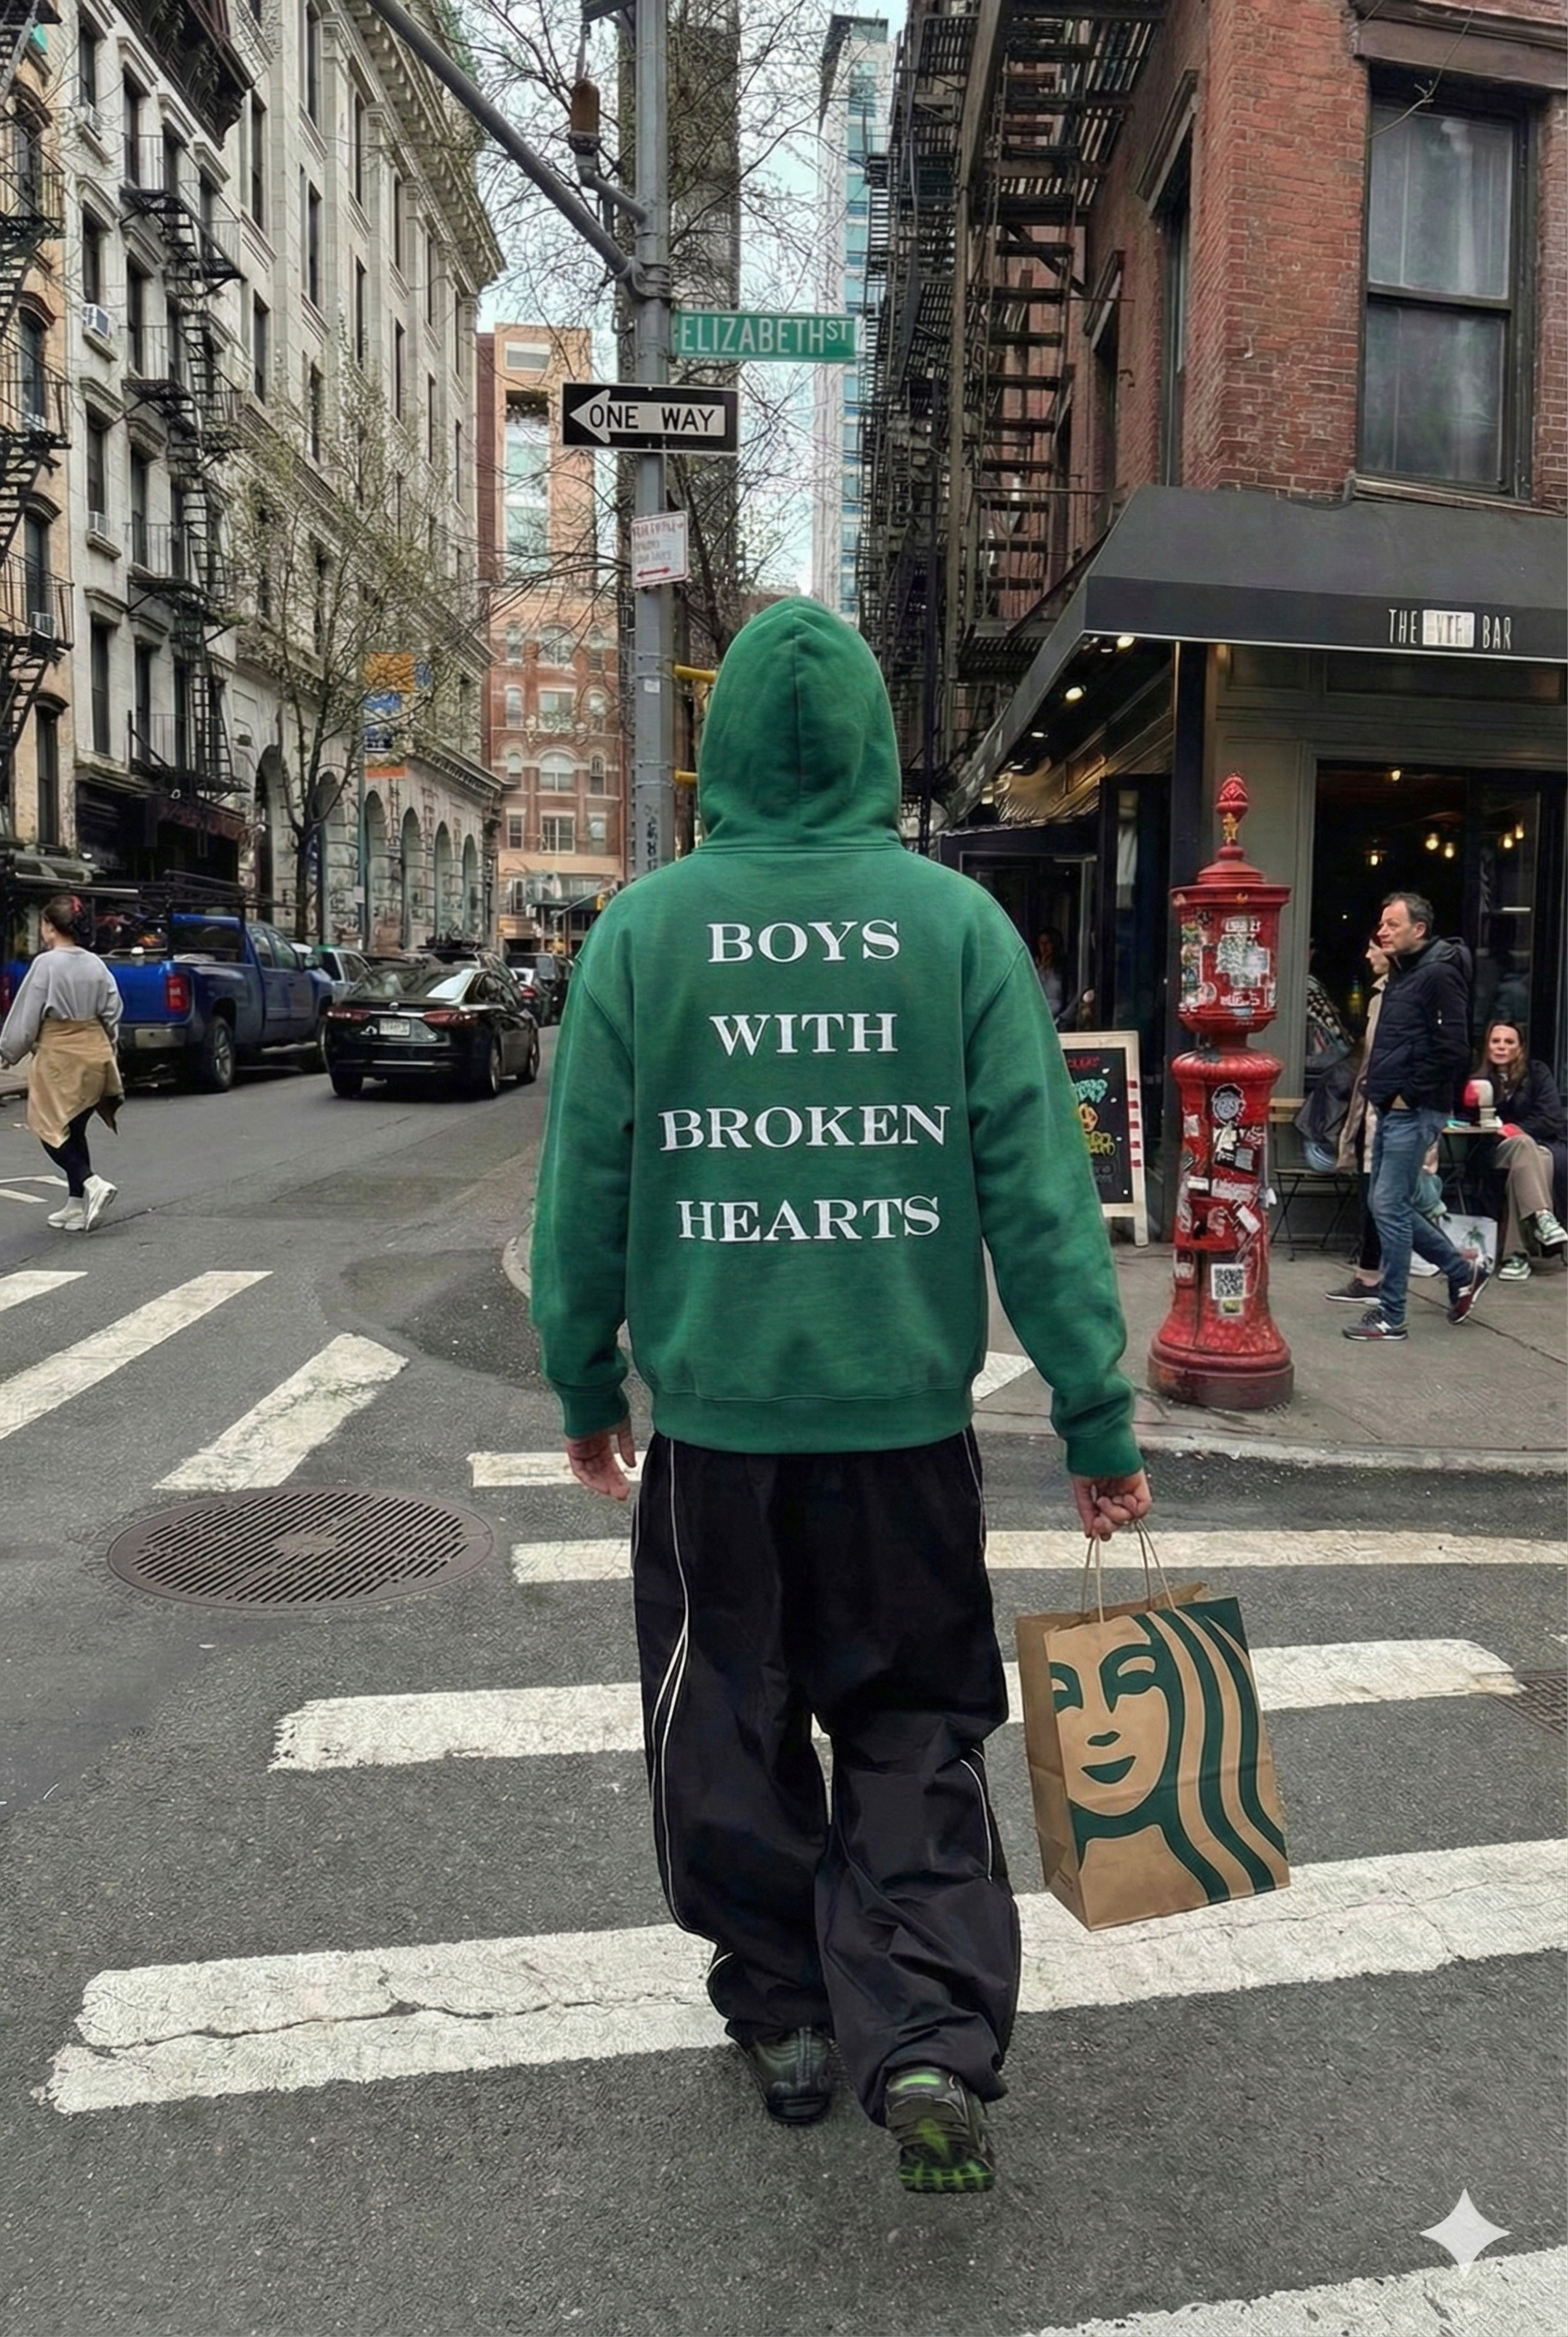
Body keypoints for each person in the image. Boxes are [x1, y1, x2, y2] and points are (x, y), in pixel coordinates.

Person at [530, 598, 1150, 2197]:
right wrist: (1095, 1414)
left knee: (726, 1734)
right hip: (904, 1441)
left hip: (719, 1439)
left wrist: (586, 1378)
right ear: (874, 743)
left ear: (722, 746)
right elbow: (1040, 1191)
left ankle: (787, 2015)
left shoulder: (645, 933)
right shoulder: (950, 929)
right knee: (911, 1733)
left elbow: (584, 1181)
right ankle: (928, 2029)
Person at [1343, 890, 1486, 1343]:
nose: (1382, 932)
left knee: (1387, 1205)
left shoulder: (1439, 975)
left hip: (1412, 1109)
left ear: (1418, 930)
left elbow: (1454, 1049)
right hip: (1390, 1106)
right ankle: (1460, 1271)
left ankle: (1391, 1315)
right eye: (1381, 924)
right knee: (1388, 1205)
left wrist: (1409, 1094)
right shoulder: (1405, 974)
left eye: (1392, 924)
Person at [0, 894, 123, 1232]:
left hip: (60, 1055)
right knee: (75, 1125)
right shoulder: (96, 964)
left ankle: (91, 1183)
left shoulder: (46, 964)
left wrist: (8, 1049)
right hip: (95, 1051)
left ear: (50, 927)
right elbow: (113, 1009)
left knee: (48, 1126)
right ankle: (74, 1203)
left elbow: (26, 1015)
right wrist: (108, 1045)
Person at [1471, 1021, 1567, 1281]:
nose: (1501, 1047)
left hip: (1535, 1148)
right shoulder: (1476, 1079)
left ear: (1520, 1048)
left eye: (1509, 1042)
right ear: (1487, 1045)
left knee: (1527, 1160)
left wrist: (1515, 1129)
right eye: (1496, 1041)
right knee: (1528, 1150)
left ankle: (1516, 1256)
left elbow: (1552, 1118)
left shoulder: (1536, 1073)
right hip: (1492, 1151)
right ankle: (1543, 1218)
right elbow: (1463, 1117)